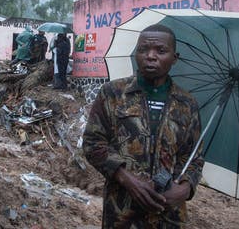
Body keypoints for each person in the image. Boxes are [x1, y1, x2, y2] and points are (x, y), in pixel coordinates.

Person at [82, 24, 203, 228]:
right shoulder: (112, 93)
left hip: (168, 214)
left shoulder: (187, 104)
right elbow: (93, 143)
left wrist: (184, 189)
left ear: (175, 57)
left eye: (161, 51)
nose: (151, 56)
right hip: (122, 211)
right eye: (143, 50)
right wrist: (127, 179)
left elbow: (193, 157)